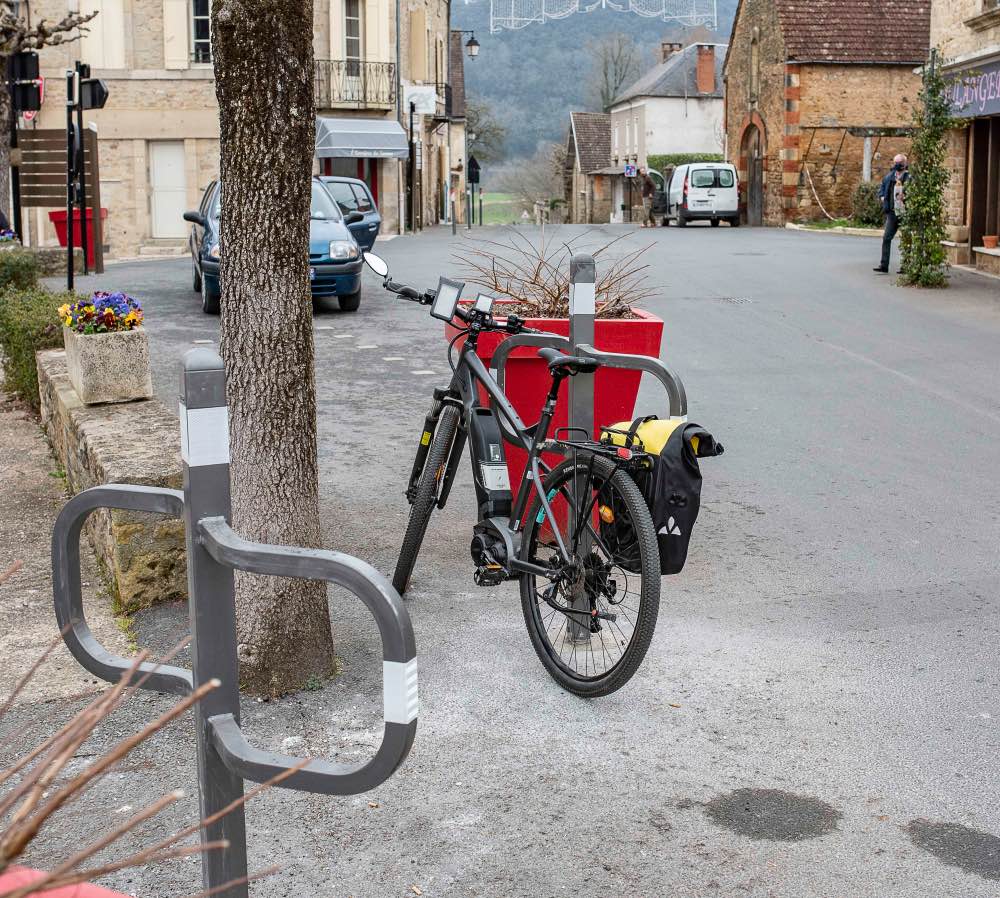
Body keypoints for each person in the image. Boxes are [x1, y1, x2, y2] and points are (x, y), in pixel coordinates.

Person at [875, 154, 910, 273]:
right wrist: (882, 197)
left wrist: (906, 196)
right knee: (886, 238)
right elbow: (881, 190)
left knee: (906, 239)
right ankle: (884, 265)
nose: (897, 165)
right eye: (895, 162)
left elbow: (914, 193)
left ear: (905, 163)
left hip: (905, 213)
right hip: (892, 212)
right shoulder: (889, 177)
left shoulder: (909, 178)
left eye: (899, 162)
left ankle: (906, 266)